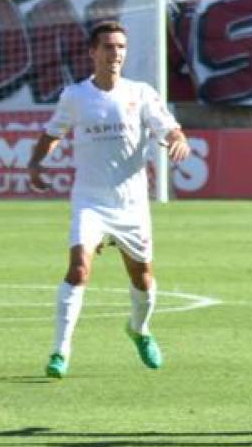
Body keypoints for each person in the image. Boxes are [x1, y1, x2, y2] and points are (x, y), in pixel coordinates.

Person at [28, 21, 191, 379]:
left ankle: (139, 329)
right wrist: (36, 163)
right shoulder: (75, 96)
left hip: (131, 204)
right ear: (92, 52)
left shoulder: (141, 93)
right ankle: (60, 351)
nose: (114, 53)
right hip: (89, 200)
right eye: (107, 47)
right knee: (78, 269)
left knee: (143, 278)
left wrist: (179, 140)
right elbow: (53, 132)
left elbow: (169, 128)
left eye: (120, 47)